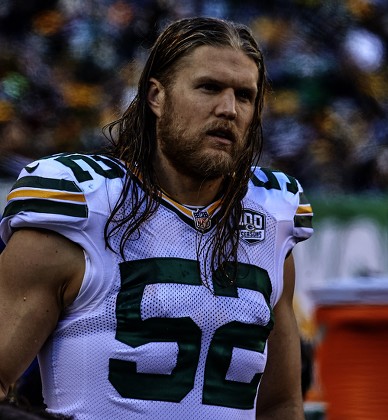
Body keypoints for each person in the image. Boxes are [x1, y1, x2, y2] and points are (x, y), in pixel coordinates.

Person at [0, 16, 313, 420]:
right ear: (156, 96)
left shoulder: (272, 216)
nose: (228, 109)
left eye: (245, 95)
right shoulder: (81, 205)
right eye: (209, 88)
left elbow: (280, 405)